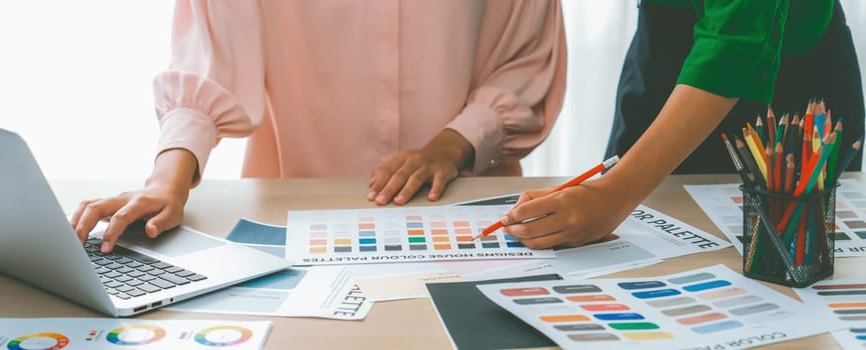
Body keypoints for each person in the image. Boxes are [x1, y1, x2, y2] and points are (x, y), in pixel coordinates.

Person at [73, 0, 567, 253]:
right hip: (291, 225)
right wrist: (167, 181)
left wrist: (454, 143)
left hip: (469, 219)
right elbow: (210, 57)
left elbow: (522, 57)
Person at [502, 0, 864, 249]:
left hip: (784, 82)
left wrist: (613, 193)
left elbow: (733, 44)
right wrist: (611, 192)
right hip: (663, 50)